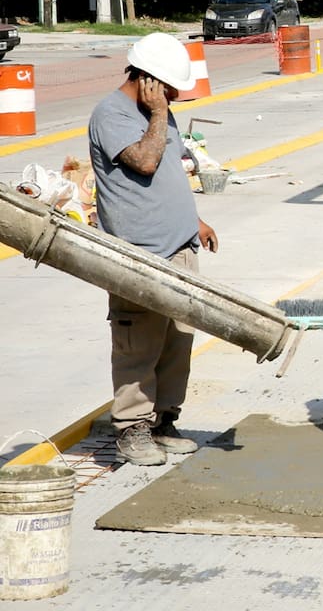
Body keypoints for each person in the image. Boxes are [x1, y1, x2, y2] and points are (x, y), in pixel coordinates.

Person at [87, 32, 218, 467]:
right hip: (139, 253)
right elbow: (144, 160)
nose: (176, 97)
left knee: (177, 340)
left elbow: (167, 172)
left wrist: (192, 221)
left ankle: (163, 422)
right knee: (137, 342)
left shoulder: (160, 111)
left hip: (178, 245)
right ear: (149, 80)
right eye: (170, 89)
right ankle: (132, 429)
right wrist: (159, 113)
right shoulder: (113, 114)